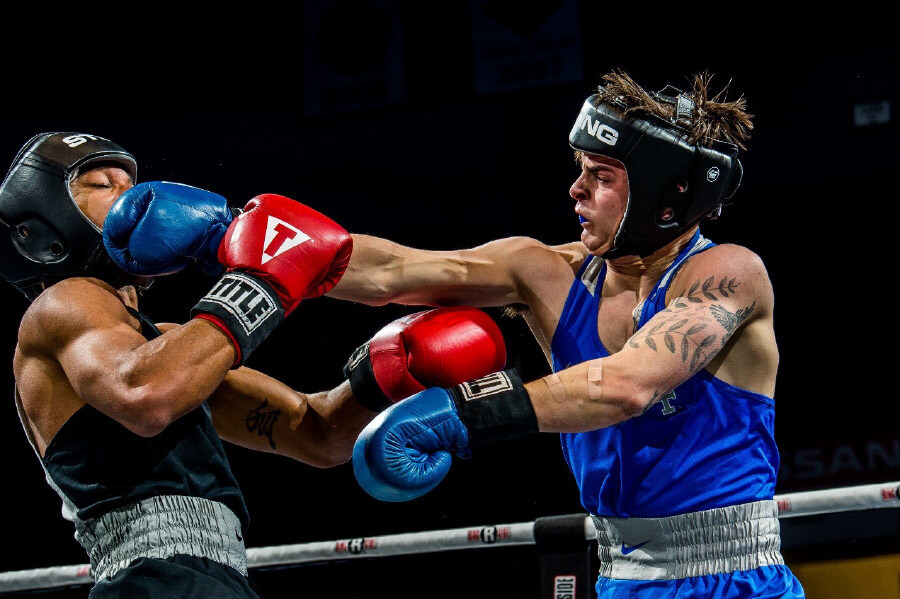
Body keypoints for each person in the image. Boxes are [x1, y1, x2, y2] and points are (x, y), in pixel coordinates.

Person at [339, 71, 807, 598]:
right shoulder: (545, 272)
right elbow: (392, 272)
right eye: (581, 170)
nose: (576, 189)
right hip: (620, 579)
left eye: (601, 176)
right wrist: (265, 243)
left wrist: (464, 412)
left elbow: (628, 386)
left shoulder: (728, 274)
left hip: (737, 579)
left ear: (663, 194)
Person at [0, 132, 506, 597]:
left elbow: (313, 431)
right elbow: (146, 396)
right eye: (101, 184)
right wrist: (265, 276)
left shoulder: (175, 348)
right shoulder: (62, 304)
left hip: (212, 577)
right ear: (47, 224)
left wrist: (386, 375)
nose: (131, 194)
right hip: (151, 577)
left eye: (131, 181)